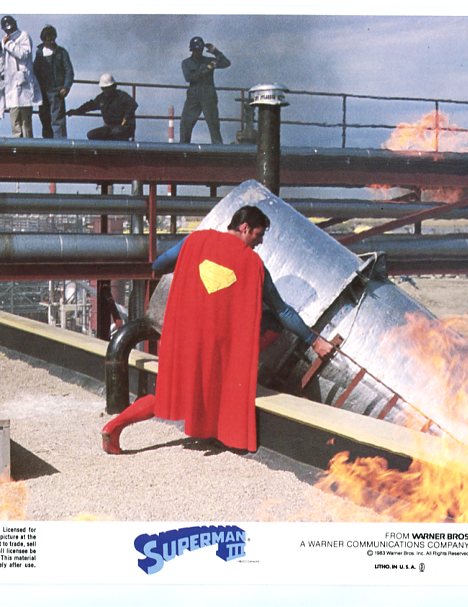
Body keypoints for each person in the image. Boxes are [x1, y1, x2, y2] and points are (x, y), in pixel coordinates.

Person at [101, 206, 335, 455]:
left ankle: (114, 426)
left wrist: (191, 268)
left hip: (184, 339)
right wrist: (314, 340)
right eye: (258, 235)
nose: (260, 242)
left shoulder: (196, 240)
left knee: (168, 395)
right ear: (244, 228)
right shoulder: (254, 265)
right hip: (218, 348)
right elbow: (282, 311)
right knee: (222, 391)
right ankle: (219, 435)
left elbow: (160, 264)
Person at [179, 36, 230, 144]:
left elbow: (226, 63)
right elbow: (189, 78)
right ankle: (183, 149)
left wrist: (215, 51)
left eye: (200, 50)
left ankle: (218, 149)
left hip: (208, 94)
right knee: (186, 123)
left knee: (213, 124)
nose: (199, 52)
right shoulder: (186, 63)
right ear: (192, 50)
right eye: (197, 50)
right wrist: (207, 69)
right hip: (194, 96)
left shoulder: (208, 60)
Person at [0, 15, 41, 137]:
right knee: (15, 122)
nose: (10, 31)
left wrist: (8, 44)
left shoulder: (24, 36)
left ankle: (28, 146)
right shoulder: (5, 40)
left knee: (26, 123)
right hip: (11, 85)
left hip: (24, 85)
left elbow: (23, 54)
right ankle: (16, 146)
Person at [66, 74, 137, 141]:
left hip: (124, 127)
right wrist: (76, 111)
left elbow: (133, 104)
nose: (106, 90)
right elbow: (89, 105)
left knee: (117, 132)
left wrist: (125, 118)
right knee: (91, 135)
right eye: (104, 88)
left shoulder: (121, 96)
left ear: (113, 87)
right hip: (110, 127)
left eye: (107, 88)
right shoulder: (101, 98)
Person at [33, 25, 74, 139]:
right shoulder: (39, 53)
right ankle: (47, 144)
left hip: (57, 92)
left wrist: (66, 87)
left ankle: (60, 145)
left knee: (58, 120)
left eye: (52, 38)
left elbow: (69, 71)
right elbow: (35, 70)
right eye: (48, 39)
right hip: (43, 92)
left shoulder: (61, 52)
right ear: (43, 39)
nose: (51, 41)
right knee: (44, 119)